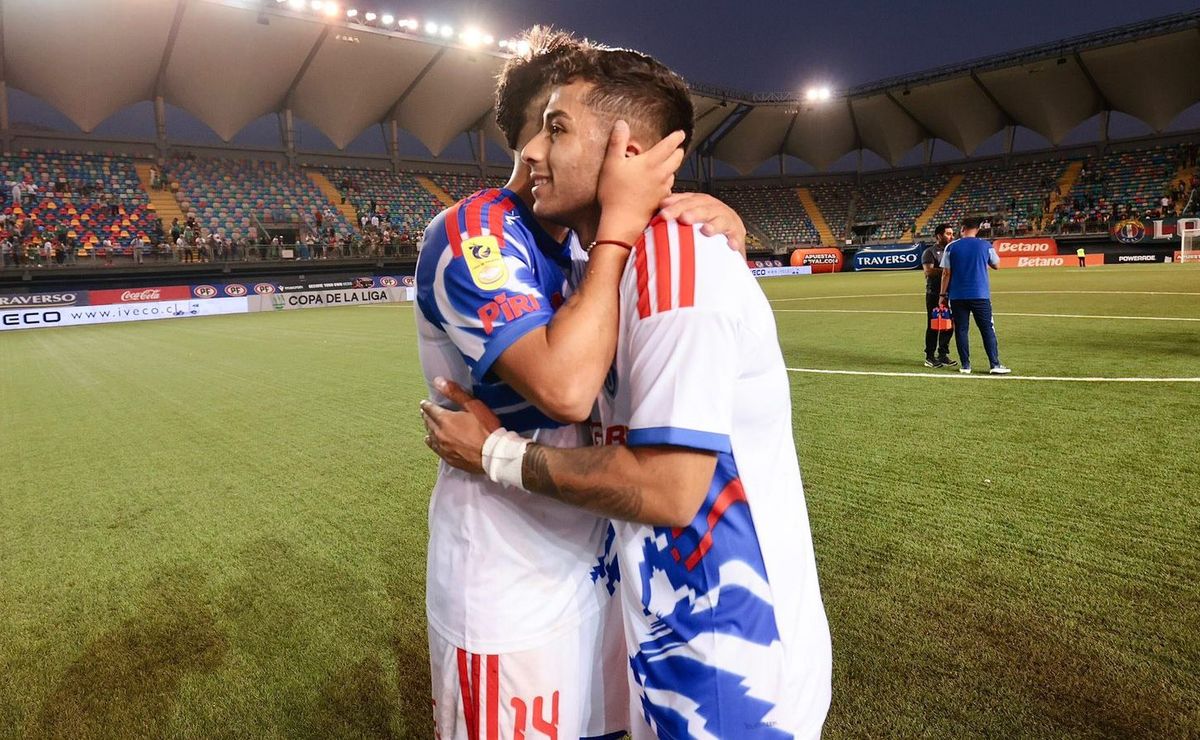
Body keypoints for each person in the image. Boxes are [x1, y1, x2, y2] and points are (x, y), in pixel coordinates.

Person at [422, 46, 831, 739]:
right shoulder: (492, 234)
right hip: (532, 583)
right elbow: (568, 387)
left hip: (702, 637)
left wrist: (686, 222)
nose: (530, 154)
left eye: (555, 128)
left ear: (627, 153)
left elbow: (668, 485)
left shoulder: (652, 256)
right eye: (533, 128)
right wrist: (620, 225)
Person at [939, 216, 1011, 374]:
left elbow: (946, 273)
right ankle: (994, 364)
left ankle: (966, 366)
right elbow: (997, 265)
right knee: (987, 329)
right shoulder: (985, 245)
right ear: (977, 229)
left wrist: (942, 295)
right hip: (980, 294)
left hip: (957, 296)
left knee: (961, 330)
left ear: (962, 229)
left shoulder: (951, 247)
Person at [921, 223, 957, 368]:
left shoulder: (953, 251)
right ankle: (929, 356)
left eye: (952, 233)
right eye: (948, 233)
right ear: (939, 235)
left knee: (949, 325)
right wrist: (948, 271)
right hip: (934, 293)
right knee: (933, 324)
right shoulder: (930, 252)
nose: (952, 236)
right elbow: (928, 272)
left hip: (951, 293)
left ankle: (943, 354)